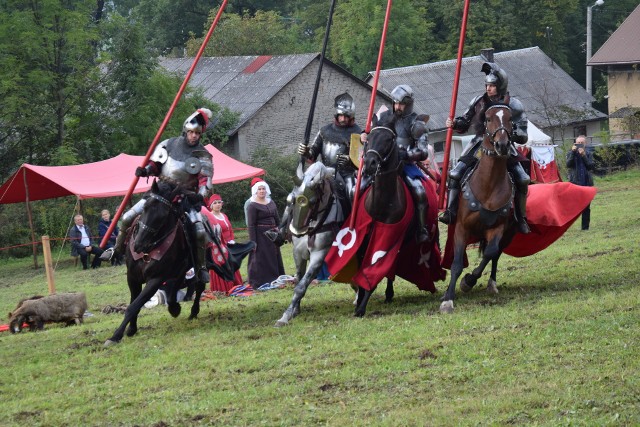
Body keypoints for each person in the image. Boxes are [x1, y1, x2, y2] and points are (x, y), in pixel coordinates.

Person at [101, 108, 215, 282]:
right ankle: (116, 250)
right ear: (185, 130)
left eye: (197, 133)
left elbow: (205, 182)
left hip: (184, 198)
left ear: (201, 135)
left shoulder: (203, 156)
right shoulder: (168, 144)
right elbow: (156, 165)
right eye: (191, 132)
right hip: (160, 192)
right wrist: (145, 171)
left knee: (199, 231)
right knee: (126, 218)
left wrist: (199, 195)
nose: (193, 136)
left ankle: (200, 268)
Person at [440, 62, 531, 234]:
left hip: (504, 146)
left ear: (500, 86)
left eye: (492, 85)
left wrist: (508, 133)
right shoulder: (479, 101)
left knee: (522, 178)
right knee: (455, 173)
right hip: (479, 145)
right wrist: (455, 123)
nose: (488, 89)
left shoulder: (514, 104)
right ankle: (450, 211)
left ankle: (521, 218)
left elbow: (523, 134)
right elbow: (465, 121)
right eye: (487, 85)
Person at [273, 93, 363, 241]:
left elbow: (361, 160)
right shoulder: (324, 130)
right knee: (295, 195)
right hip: (322, 172)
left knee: (352, 193)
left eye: (346, 116)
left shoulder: (358, 133)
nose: (342, 119)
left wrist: (349, 160)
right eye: (340, 115)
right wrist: (307, 151)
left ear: (351, 116)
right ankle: (282, 230)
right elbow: (313, 155)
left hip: (345, 174)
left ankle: (352, 229)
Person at [374, 84, 431, 243]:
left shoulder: (416, 123)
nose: (397, 107)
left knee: (419, 191)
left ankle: (422, 228)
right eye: (395, 103)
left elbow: (423, 151)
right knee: (360, 185)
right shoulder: (384, 118)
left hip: (405, 165)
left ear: (408, 104)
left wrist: (406, 154)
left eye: (401, 104)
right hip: (384, 163)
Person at [246, 180, 285, 289]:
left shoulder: (271, 202)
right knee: (261, 257)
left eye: (263, 189)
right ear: (255, 191)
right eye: (259, 189)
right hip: (260, 235)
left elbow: (277, 219)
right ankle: (261, 281)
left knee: (274, 256)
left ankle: (276, 278)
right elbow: (251, 225)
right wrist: (253, 242)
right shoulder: (252, 206)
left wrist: (280, 231)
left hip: (273, 235)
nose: (262, 191)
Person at [201, 194, 243, 292]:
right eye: (215, 203)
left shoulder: (224, 215)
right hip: (218, 247)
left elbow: (230, 229)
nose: (218, 205)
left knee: (232, 265)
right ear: (211, 205)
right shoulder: (209, 217)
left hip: (229, 245)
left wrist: (232, 240)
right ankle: (223, 288)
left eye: (219, 202)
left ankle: (236, 284)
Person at [566, 135, 595, 230]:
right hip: (575, 183)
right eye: (577, 143)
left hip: (587, 183)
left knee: (586, 207)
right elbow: (568, 165)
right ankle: (566, 226)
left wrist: (583, 155)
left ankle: (585, 228)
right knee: (573, 207)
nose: (579, 145)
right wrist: (573, 153)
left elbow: (590, 166)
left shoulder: (589, 153)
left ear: (585, 144)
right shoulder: (571, 153)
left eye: (581, 143)